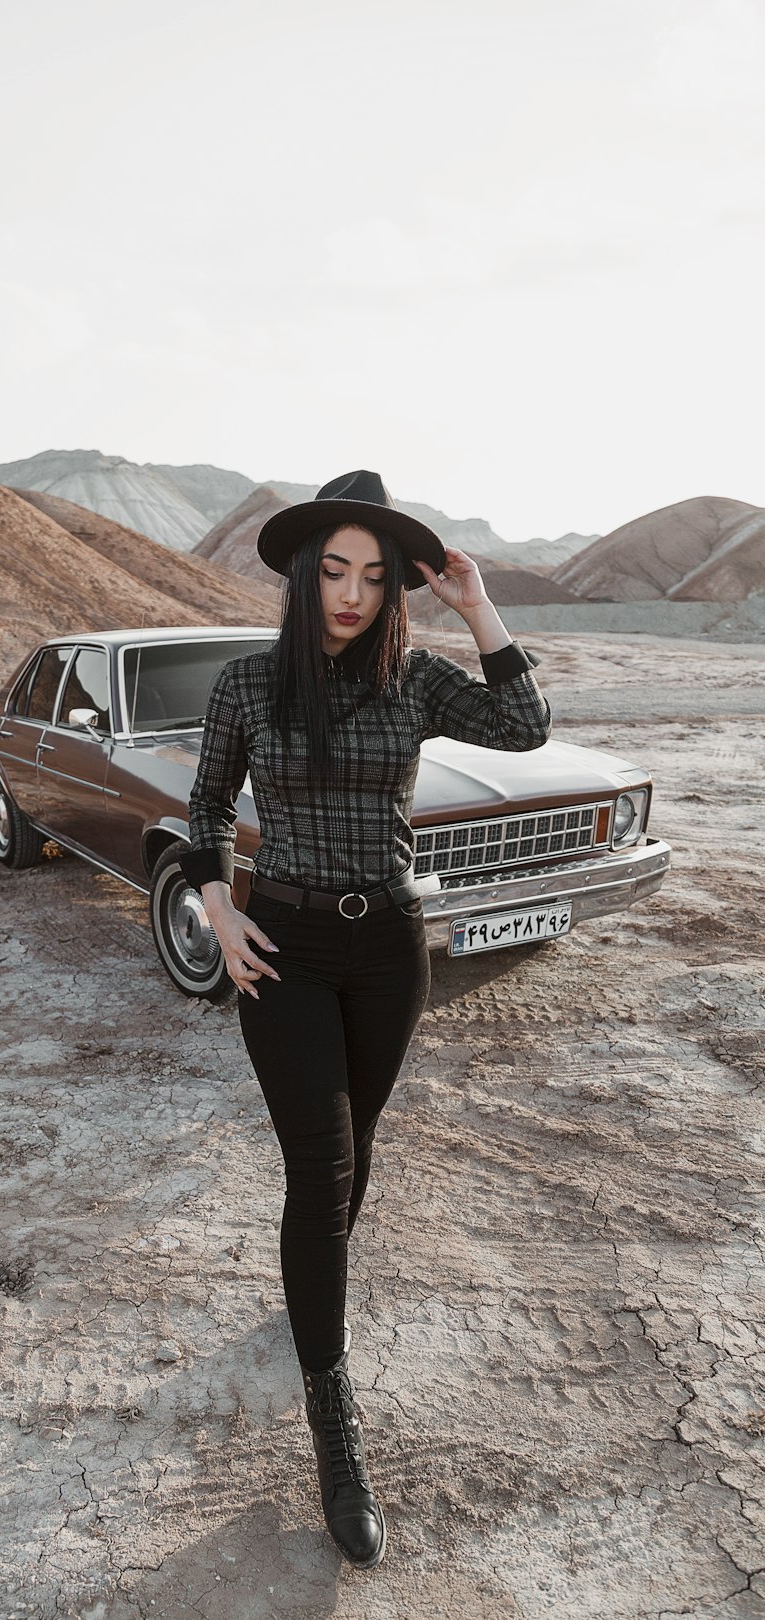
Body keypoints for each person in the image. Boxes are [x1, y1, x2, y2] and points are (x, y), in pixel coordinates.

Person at [178, 470, 552, 1569]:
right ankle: (334, 1414)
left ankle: (312, 1285)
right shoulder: (248, 685)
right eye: (334, 570)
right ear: (304, 576)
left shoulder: (419, 681)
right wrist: (215, 904)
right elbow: (203, 805)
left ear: (396, 589)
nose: (351, 592)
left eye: (375, 576)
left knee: (361, 1144)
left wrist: (477, 602)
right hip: (284, 949)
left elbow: (528, 726)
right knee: (320, 1166)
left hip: (390, 948)